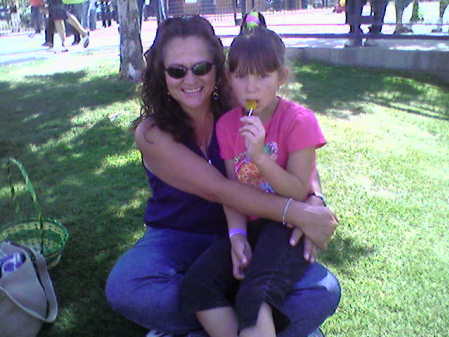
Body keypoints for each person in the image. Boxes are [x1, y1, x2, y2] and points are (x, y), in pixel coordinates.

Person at [105, 15, 340, 337]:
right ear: (162, 75)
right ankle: (250, 318)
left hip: (250, 230)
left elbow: (296, 154)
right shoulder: (151, 133)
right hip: (179, 236)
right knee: (127, 287)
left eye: (201, 68)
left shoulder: (242, 107)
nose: (190, 79)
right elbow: (220, 190)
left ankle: (211, 321)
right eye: (177, 70)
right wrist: (298, 213)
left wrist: (315, 200)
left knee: (323, 290)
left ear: (218, 69)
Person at [180, 12, 331, 337]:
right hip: (250, 224)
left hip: (289, 224)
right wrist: (236, 237)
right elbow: (232, 190)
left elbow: (295, 191)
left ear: (282, 77)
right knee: (198, 285)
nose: (251, 86)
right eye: (241, 76)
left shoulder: (299, 122)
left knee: (255, 294)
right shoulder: (227, 125)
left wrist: (260, 157)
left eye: (263, 76)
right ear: (228, 78)